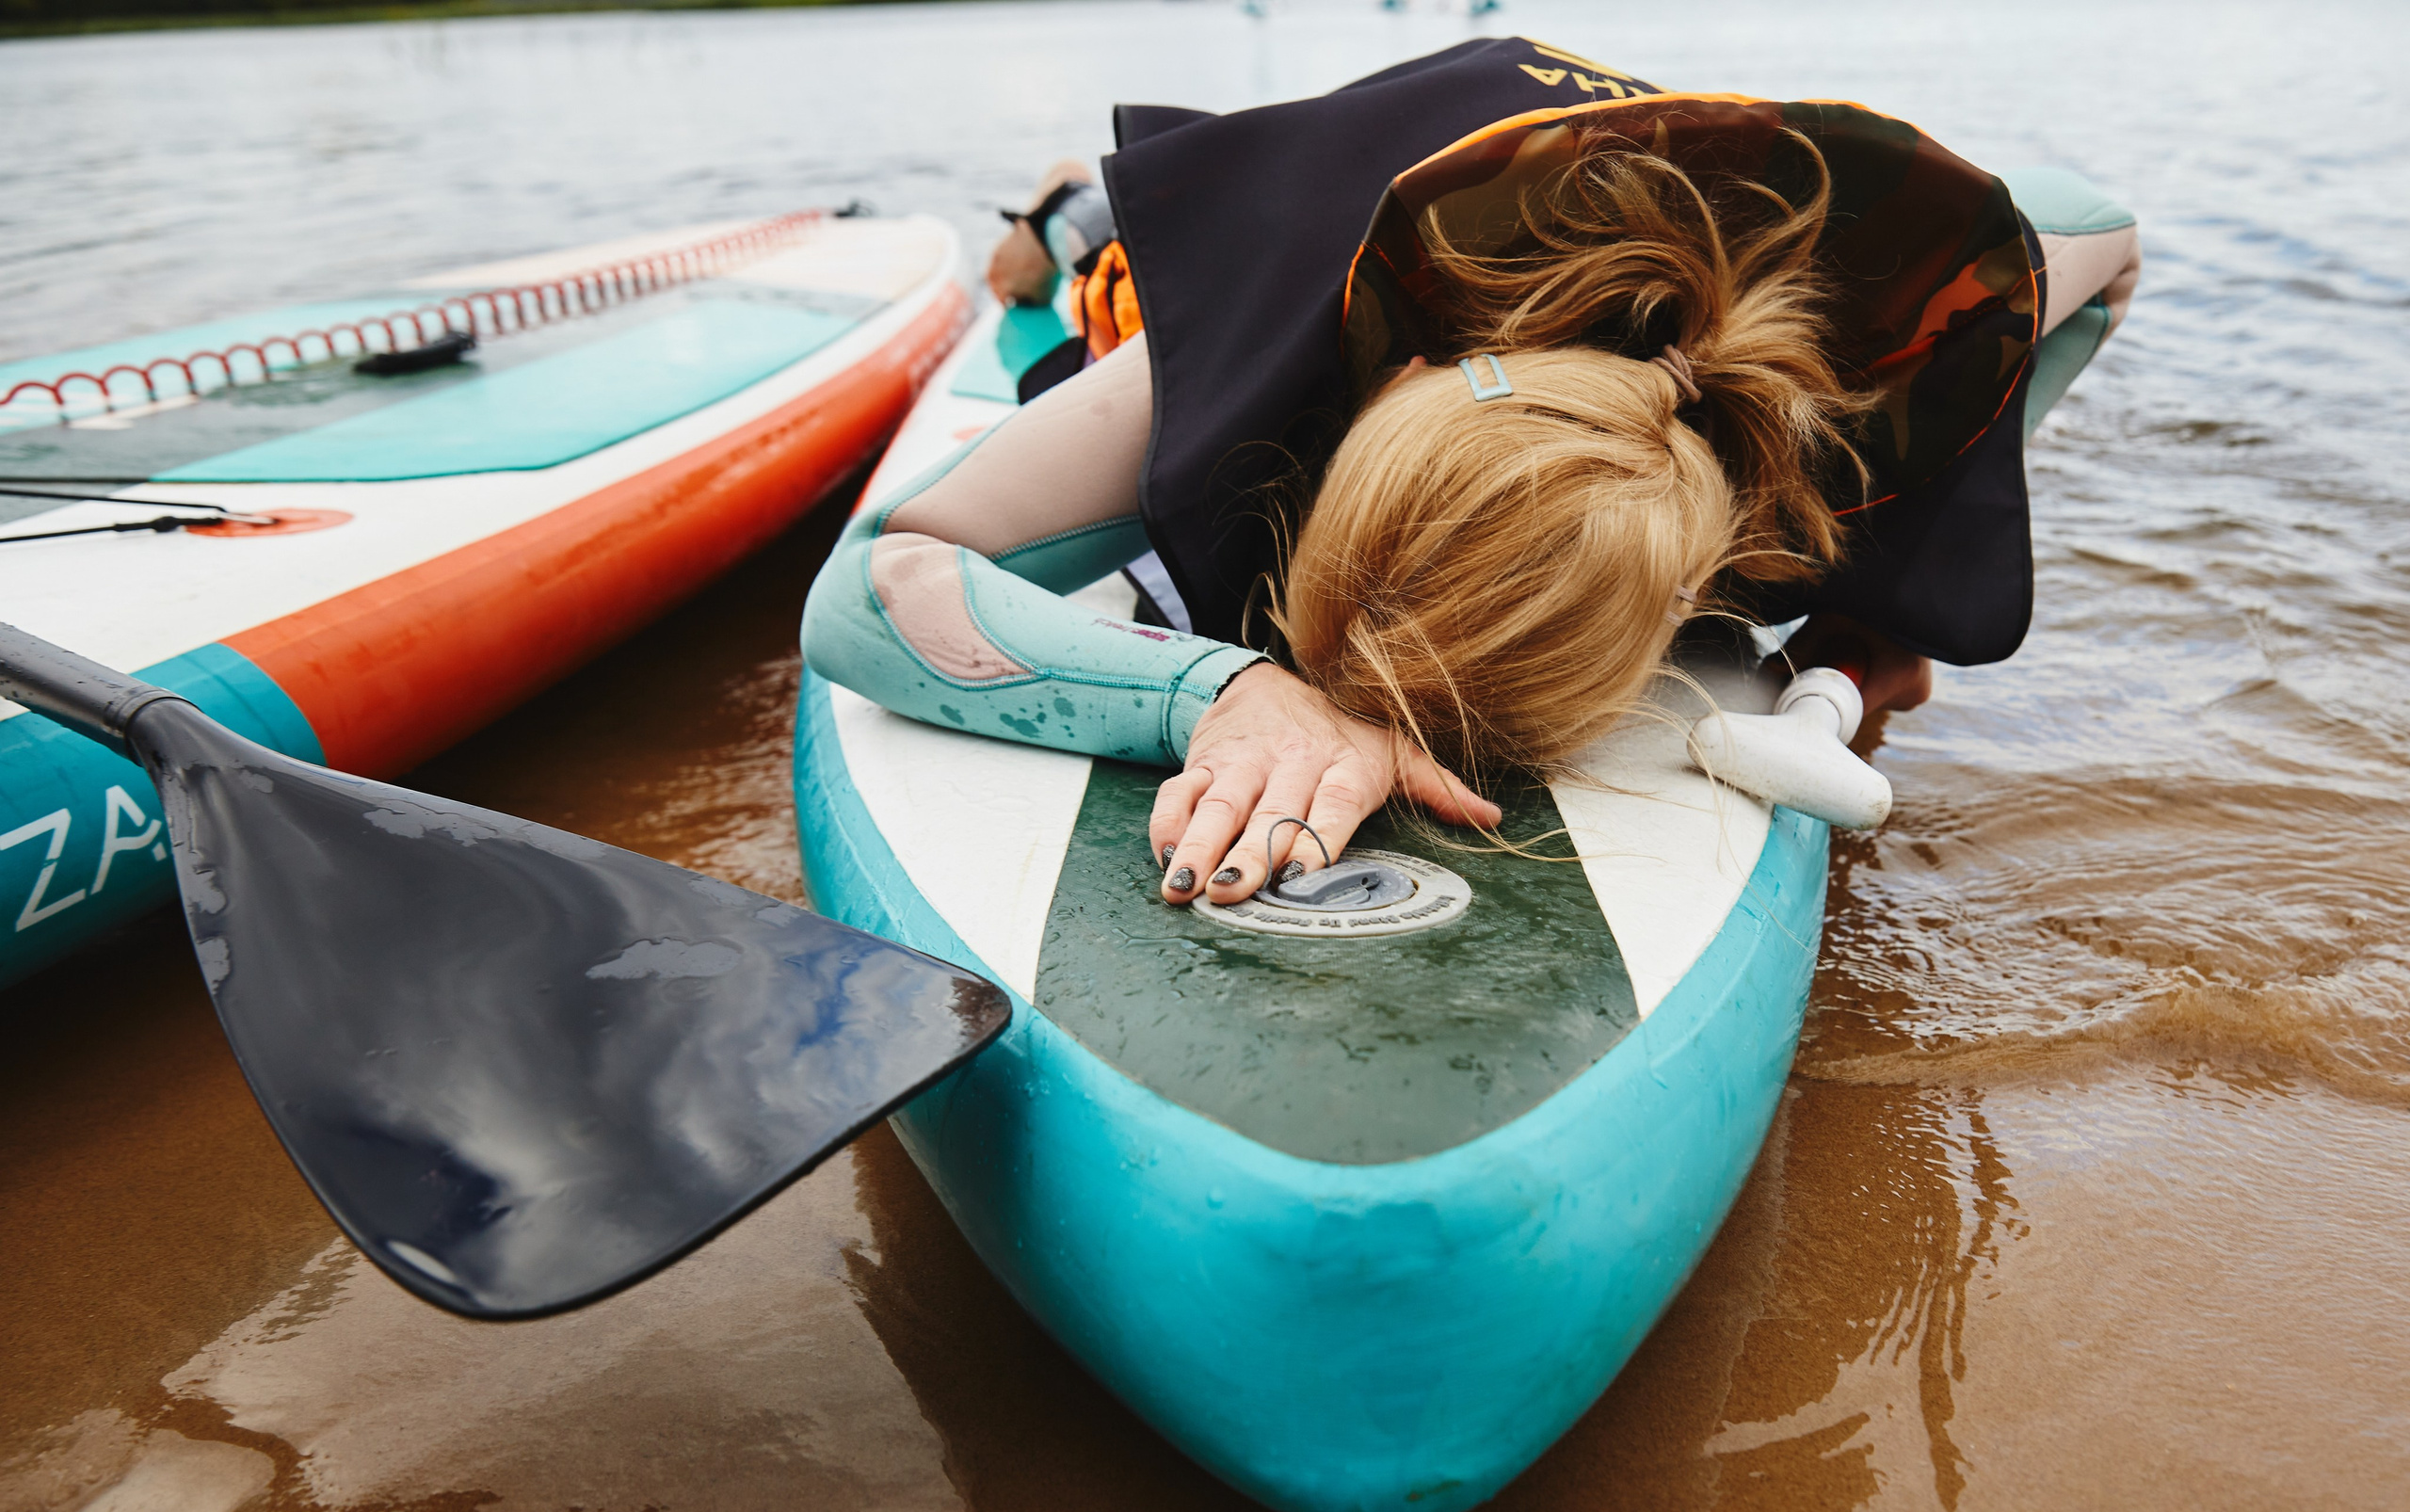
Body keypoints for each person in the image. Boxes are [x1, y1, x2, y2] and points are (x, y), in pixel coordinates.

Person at [801, 39, 2141, 907]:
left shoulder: (1837, 361)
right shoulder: (1279, 354)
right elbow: (867, 591)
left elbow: (2101, 234)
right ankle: (1057, 204)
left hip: (1599, 201)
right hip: (1288, 200)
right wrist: (1231, 687)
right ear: (1383, 392)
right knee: (1094, 261)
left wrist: (1886, 573)